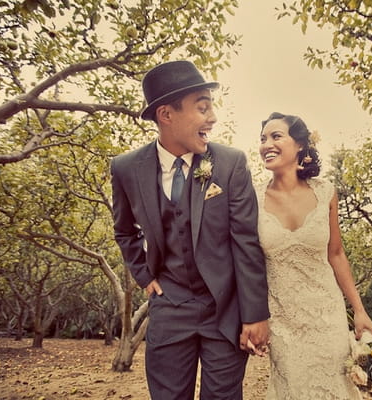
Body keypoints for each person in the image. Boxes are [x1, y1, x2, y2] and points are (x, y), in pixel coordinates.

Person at [110, 60, 270, 400]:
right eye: (202, 107)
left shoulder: (230, 163)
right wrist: (143, 275)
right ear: (166, 115)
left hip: (225, 311)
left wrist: (255, 314)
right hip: (169, 309)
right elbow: (124, 230)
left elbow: (246, 242)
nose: (212, 118)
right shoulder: (126, 169)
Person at [256, 112, 372, 399]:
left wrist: (359, 311)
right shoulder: (252, 196)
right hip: (282, 322)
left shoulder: (325, 192)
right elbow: (247, 263)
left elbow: (336, 254)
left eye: (276, 136)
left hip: (328, 317)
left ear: (299, 145)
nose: (266, 144)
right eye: (262, 139)